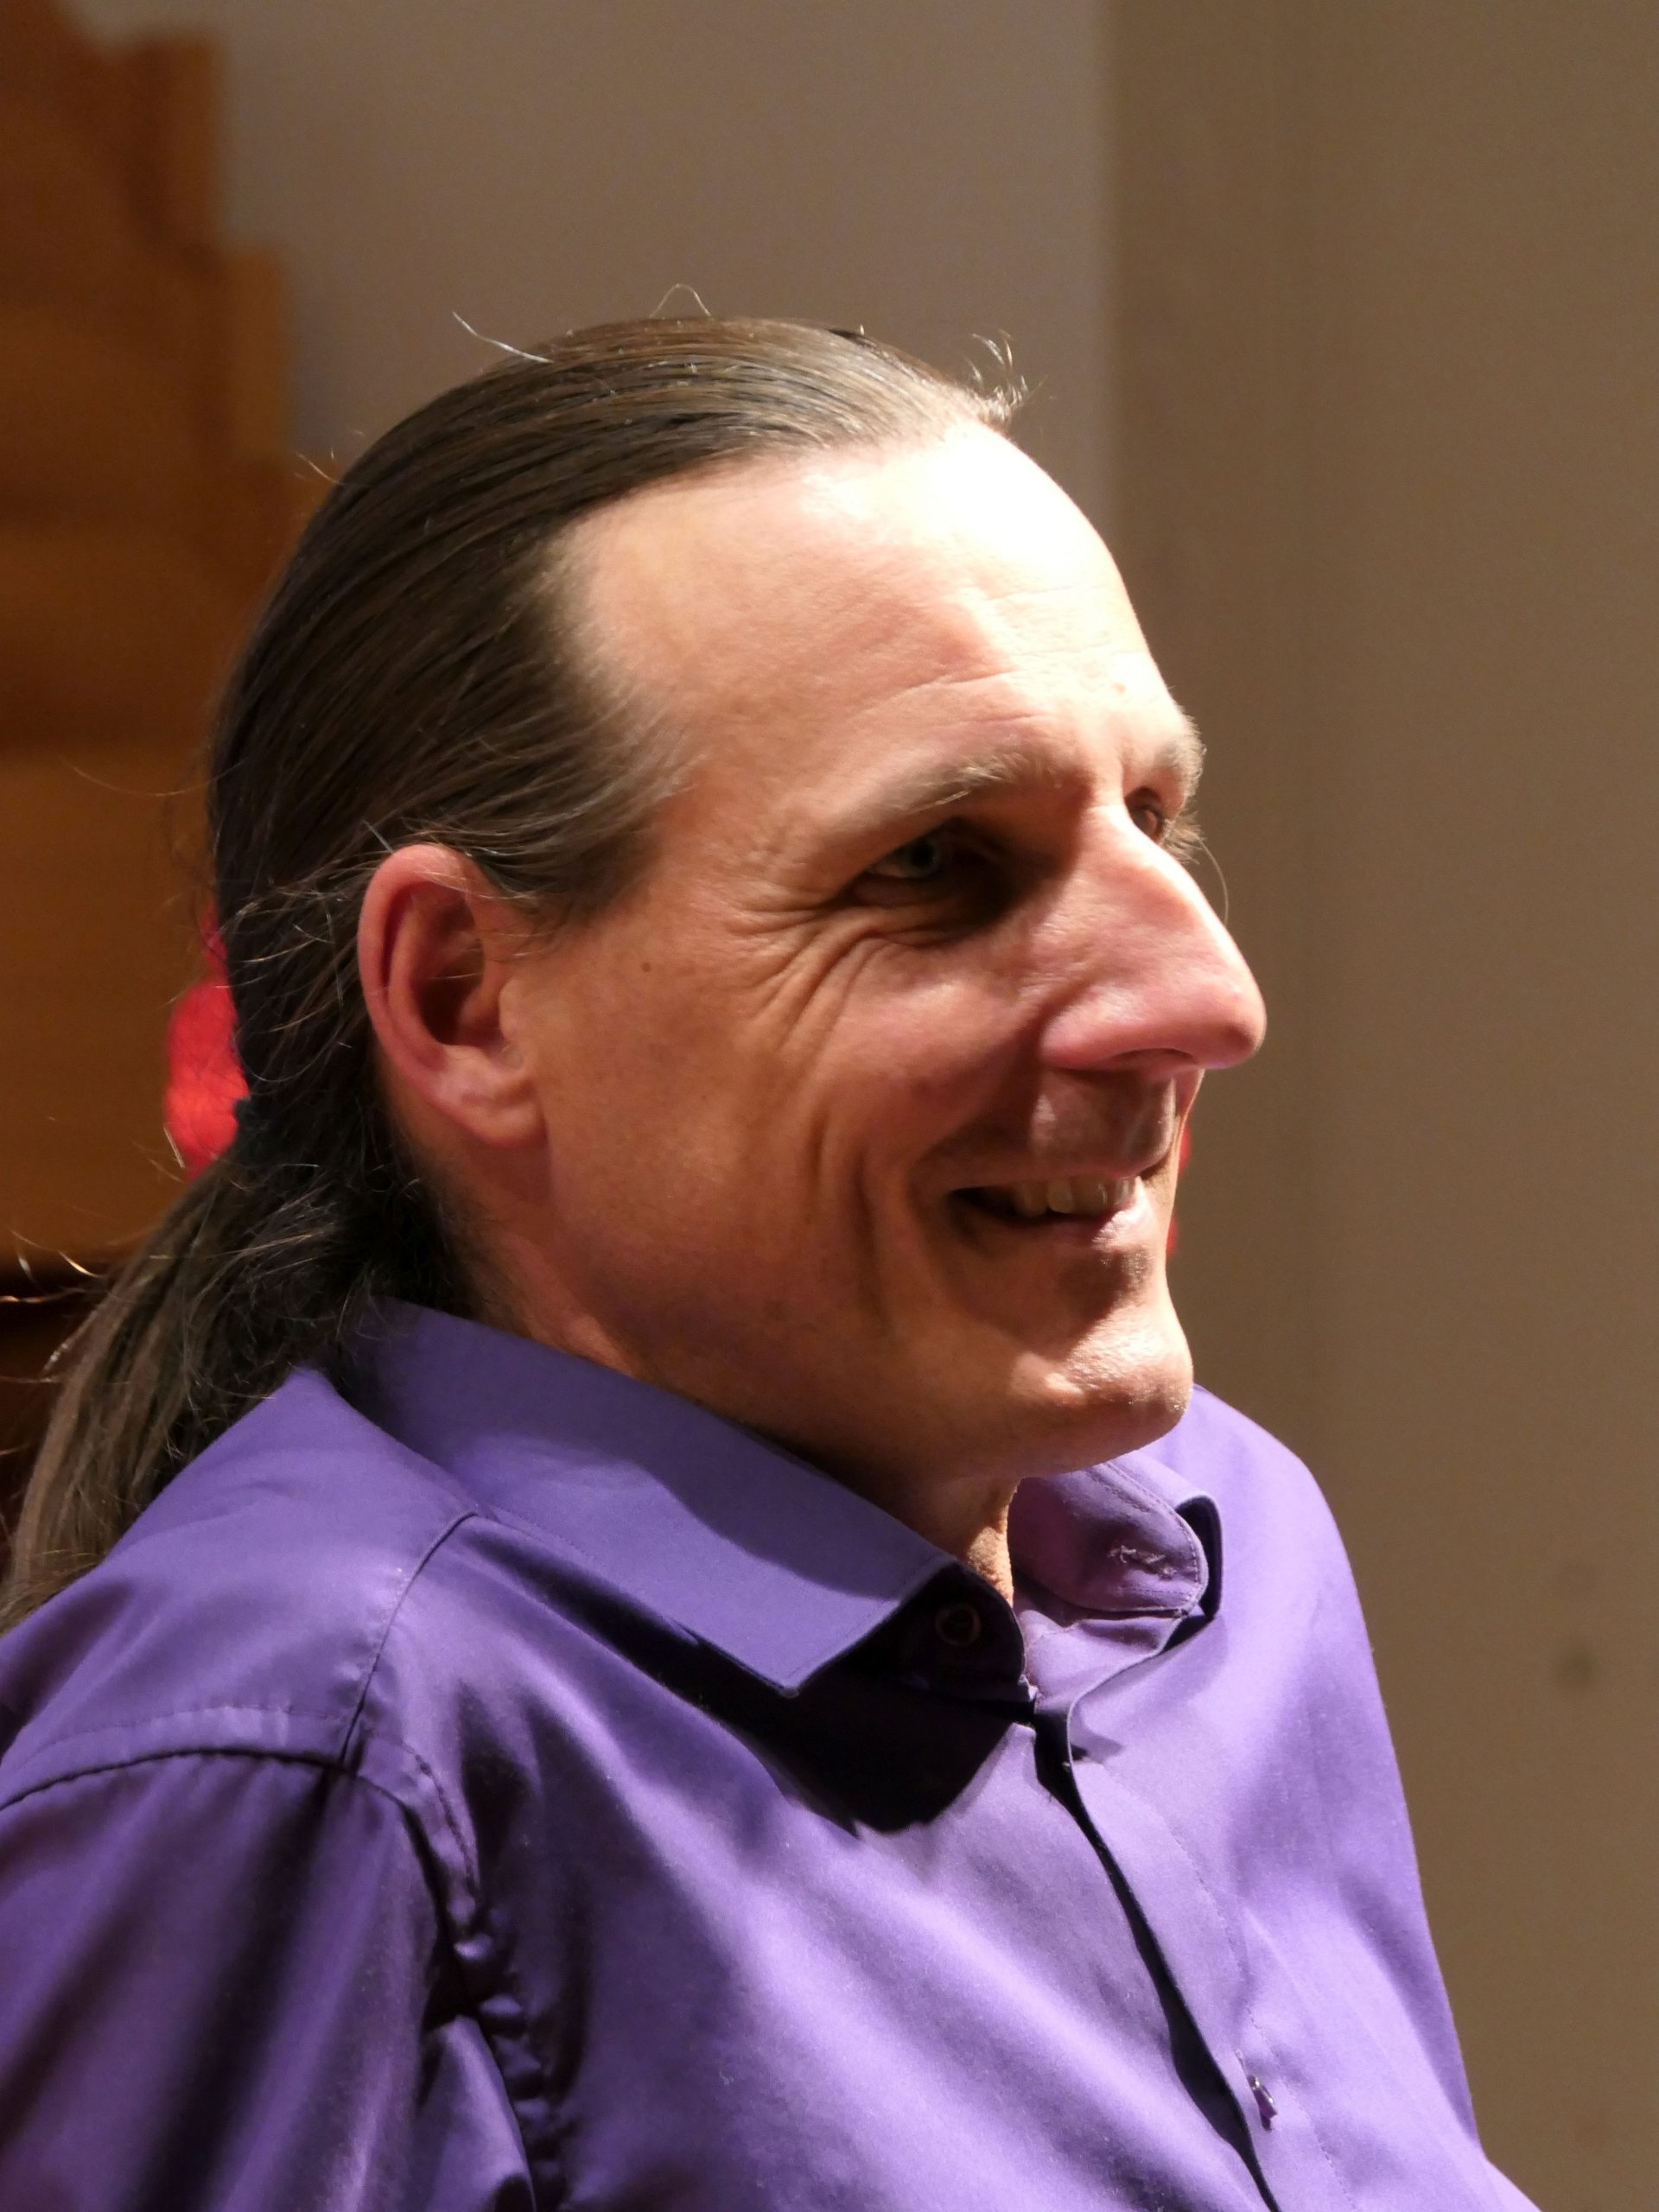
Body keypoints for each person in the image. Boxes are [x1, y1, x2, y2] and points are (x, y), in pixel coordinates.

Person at [0, 319, 1535, 2211]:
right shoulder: (313, 1757)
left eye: (1156, 818)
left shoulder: (1227, 1551)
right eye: (936, 865)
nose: (1205, 998)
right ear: (467, 1001)